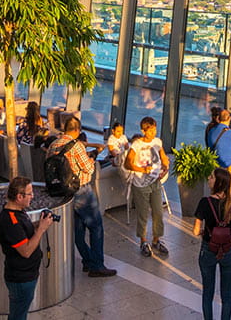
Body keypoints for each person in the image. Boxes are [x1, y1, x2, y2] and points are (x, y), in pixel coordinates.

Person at [47, 116, 115, 276]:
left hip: (64, 193)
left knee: (78, 230)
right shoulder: (76, 145)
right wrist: (92, 157)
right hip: (81, 191)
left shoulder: (53, 144)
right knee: (96, 227)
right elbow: (89, 169)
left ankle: (87, 260)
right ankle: (97, 265)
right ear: (77, 130)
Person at [0, 176, 55, 320]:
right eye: (29, 193)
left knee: (19, 313)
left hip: (26, 275)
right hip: (21, 279)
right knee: (18, 315)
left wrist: (39, 224)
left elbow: (23, 232)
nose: (33, 196)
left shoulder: (18, 211)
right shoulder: (11, 221)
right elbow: (26, 251)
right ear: (19, 196)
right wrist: (41, 229)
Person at [193, 167, 231, 320]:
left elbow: (196, 231)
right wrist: (227, 227)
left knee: (208, 292)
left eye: (211, 177)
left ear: (218, 183)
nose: (209, 179)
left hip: (209, 248)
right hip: (228, 249)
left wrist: (206, 231)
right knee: (227, 294)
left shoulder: (204, 202)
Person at [125, 115, 169, 258]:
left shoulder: (157, 142)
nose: (153, 133)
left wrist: (165, 167)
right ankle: (143, 241)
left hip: (155, 182)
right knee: (143, 214)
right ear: (143, 131)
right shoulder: (137, 144)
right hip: (140, 183)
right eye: (150, 131)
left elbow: (163, 158)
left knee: (158, 212)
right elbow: (127, 163)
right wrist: (142, 170)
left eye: (154, 130)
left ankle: (156, 240)